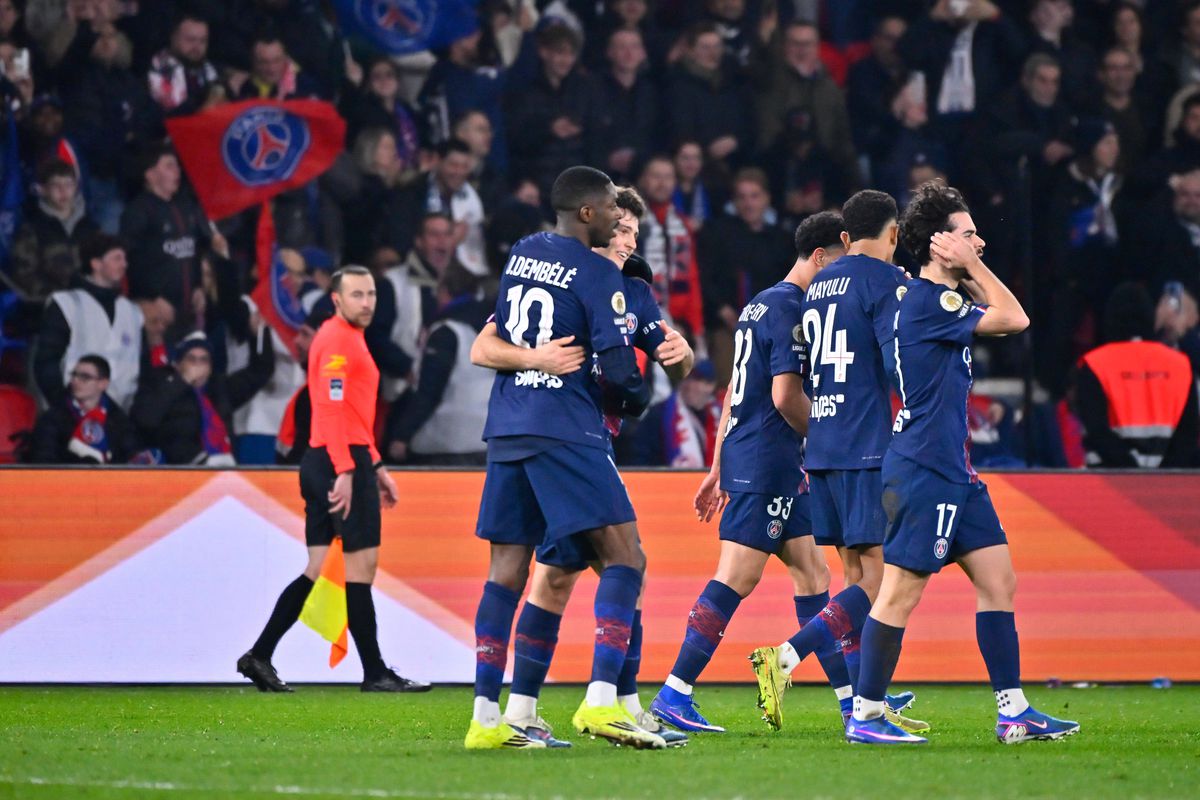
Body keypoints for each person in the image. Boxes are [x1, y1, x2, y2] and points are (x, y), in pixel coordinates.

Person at [845, 181, 1079, 745]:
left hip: (955, 470)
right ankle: (866, 716)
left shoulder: (931, 300)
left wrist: (967, 266)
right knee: (899, 592)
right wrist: (971, 267)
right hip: (925, 468)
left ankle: (1014, 712)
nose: (980, 242)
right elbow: (1015, 318)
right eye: (968, 234)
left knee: (999, 581)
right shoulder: (930, 302)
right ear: (940, 244)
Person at [468, 186, 693, 748]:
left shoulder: (617, 285)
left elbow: (671, 362)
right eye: (620, 227)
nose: (626, 240)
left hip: (518, 427)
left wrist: (683, 356)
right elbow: (482, 347)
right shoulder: (585, 276)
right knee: (625, 559)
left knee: (547, 572)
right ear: (594, 223)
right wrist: (542, 360)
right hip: (568, 434)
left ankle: (505, 715)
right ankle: (603, 702)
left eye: (634, 233)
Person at [648, 211, 847, 734]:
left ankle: (855, 703)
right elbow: (784, 397)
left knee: (814, 574)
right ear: (820, 258)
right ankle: (674, 693)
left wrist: (718, 465)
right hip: (769, 460)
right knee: (737, 575)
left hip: (764, 457)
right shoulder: (792, 310)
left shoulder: (760, 304)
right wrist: (833, 439)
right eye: (841, 263)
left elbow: (737, 392)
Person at [747, 190, 927, 735]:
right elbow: (899, 363)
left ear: (845, 236)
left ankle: (863, 706)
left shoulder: (819, 285)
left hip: (822, 445)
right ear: (893, 234)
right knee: (877, 583)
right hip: (865, 443)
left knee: (854, 577)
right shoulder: (886, 280)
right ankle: (785, 656)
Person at [237, 266, 430, 694]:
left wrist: (375, 466)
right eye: (357, 295)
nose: (367, 302)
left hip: (331, 457)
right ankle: (375, 673)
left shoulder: (342, 337)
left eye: (371, 293)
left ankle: (259, 655)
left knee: (316, 567)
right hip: (338, 458)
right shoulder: (339, 341)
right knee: (362, 567)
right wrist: (346, 469)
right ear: (336, 300)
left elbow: (352, 414)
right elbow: (331, 407)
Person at [1074, 282, 1198, 469]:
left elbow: (1097, 431)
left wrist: (1132, 471)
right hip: (1170, 479)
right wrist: (1163, 475)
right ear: (1150, 317)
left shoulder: (1094, 365)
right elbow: (1187, 436)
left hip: (1108, 478)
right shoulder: (1181, 365)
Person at [385, 264, 492, 466]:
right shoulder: (493, 329)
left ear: (444, 292)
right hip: (486, 439)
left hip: (447, 441)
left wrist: (402, 435)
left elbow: (429, 391)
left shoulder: (446, 333)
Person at [131, 329, 273, 466]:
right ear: (178, 365)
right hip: (184, 471)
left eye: (204, 360)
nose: (198, 365)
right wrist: (183, 381)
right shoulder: (161, 385)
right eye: (191, 359)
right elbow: (144, 418)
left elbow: (260, 371)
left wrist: (259, 333)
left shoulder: (220, 389)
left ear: (210, 367)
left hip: (226, 467)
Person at [34, 233, 143, 411]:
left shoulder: (133, 312)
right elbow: (47, 362)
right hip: (70, 415)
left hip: (121, 417)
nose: (124, 264)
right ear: (96, 263)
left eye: (125, 259)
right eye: (117, 258)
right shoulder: (66, 304)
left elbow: (142, 366)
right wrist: (64, 407)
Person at [28, 354, 141, 464]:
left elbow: (131, 457)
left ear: (103, 384)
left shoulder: (118, 420)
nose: (75, 381)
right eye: (74, 375)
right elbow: (44, 460)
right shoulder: (52, 418)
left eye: (85, 377)